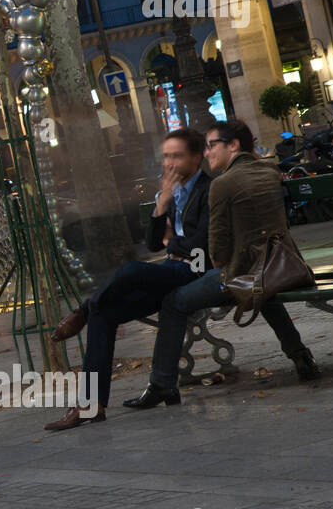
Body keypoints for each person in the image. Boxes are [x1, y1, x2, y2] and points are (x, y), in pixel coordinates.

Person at [123, 119, 321, 408]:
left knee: (174, 302)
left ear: (233, 145)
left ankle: (162, 383)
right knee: (261, 287)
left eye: (211, 145)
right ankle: (300, 355)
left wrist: (204, 260)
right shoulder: (269, 169)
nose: (206, 153)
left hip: (245, 272)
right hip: (282, 265)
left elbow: (216, 250)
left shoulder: (221, 184)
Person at [44, 128, 211, 431]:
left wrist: (172, 243)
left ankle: (82, 309)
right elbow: (151, 244)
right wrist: (161, 206)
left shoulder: (208, 190)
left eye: (177, 156)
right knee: (103, 314)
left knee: (131, 270)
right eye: (166, 157)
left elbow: (201, 246)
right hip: (172, 272)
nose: (169, 163)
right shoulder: (171, 193)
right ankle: (91, 405)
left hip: (197, 270)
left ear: (196, 157)